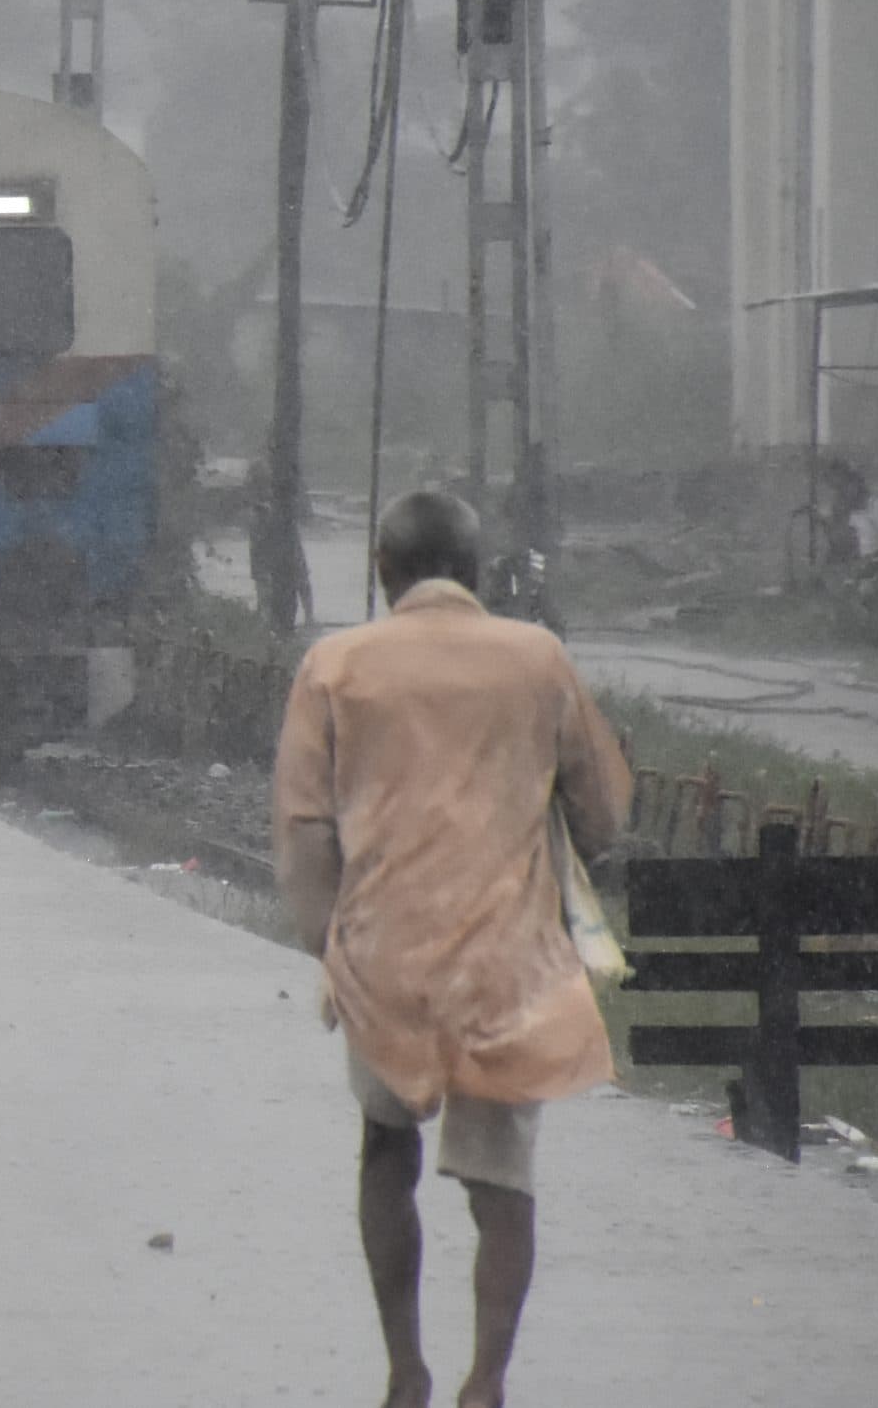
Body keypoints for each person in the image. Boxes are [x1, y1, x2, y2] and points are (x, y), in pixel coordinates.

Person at [270, 490, 631, 1408]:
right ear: (474, 573)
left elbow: (305, 824)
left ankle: (406, 1370)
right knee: (502, 1180)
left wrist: (329, 943)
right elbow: (603, 807)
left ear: (385, 572)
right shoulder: (538, 659)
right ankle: (487, 1380)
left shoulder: (335, 664)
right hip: (508, 963)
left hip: (385, 955)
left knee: (385, 1150)